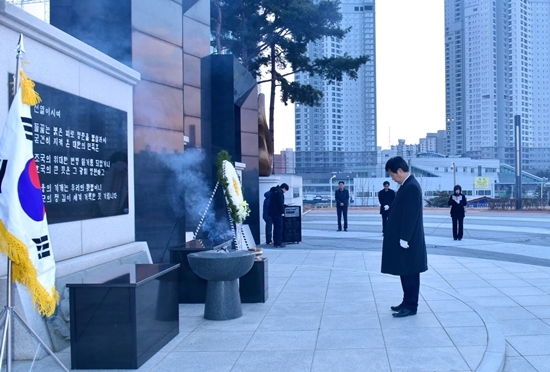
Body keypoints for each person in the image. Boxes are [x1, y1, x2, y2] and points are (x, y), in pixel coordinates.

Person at [381, 156, 428, 318]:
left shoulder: (412, 187)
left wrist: (405, 237)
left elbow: (411, 214)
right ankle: (406, 301)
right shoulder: (405, 185)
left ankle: (411, 305)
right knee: (404, 270)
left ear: (400, 171)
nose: (392, 179)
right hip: (403, 239)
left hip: (409, 241)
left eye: (393, 175)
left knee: (411, 273)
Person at [269, 183, 289, 248]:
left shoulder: (274, 191)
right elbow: (280, 203)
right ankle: (278, 243)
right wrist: (282, 212)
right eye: (285, 190)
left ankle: (276, 242)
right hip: (278, 213)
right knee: (279, 228)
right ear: (284, 188)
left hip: (273, 212)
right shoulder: (279, 193)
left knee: (275, 228)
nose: (285, 192)